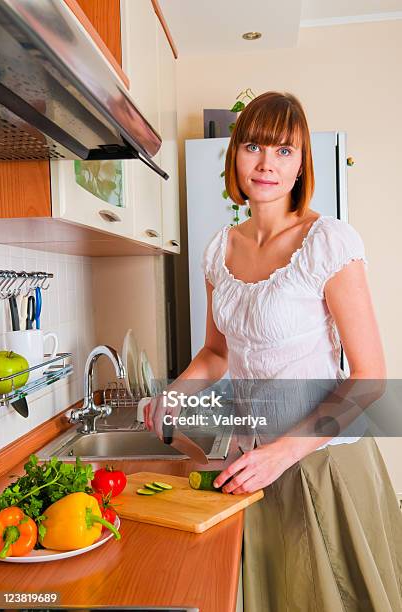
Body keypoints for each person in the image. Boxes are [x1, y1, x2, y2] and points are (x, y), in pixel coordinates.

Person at [144, 91, 402, 611]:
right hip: (252, 462)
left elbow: (370, 377)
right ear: (235, 155)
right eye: (255, 146)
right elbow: (217, 351)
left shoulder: (327, 241)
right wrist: (174, 393)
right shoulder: (220, 249)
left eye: (285, 151)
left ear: (302, 162)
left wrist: (284, 452)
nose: (266, 163)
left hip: (319, 462)